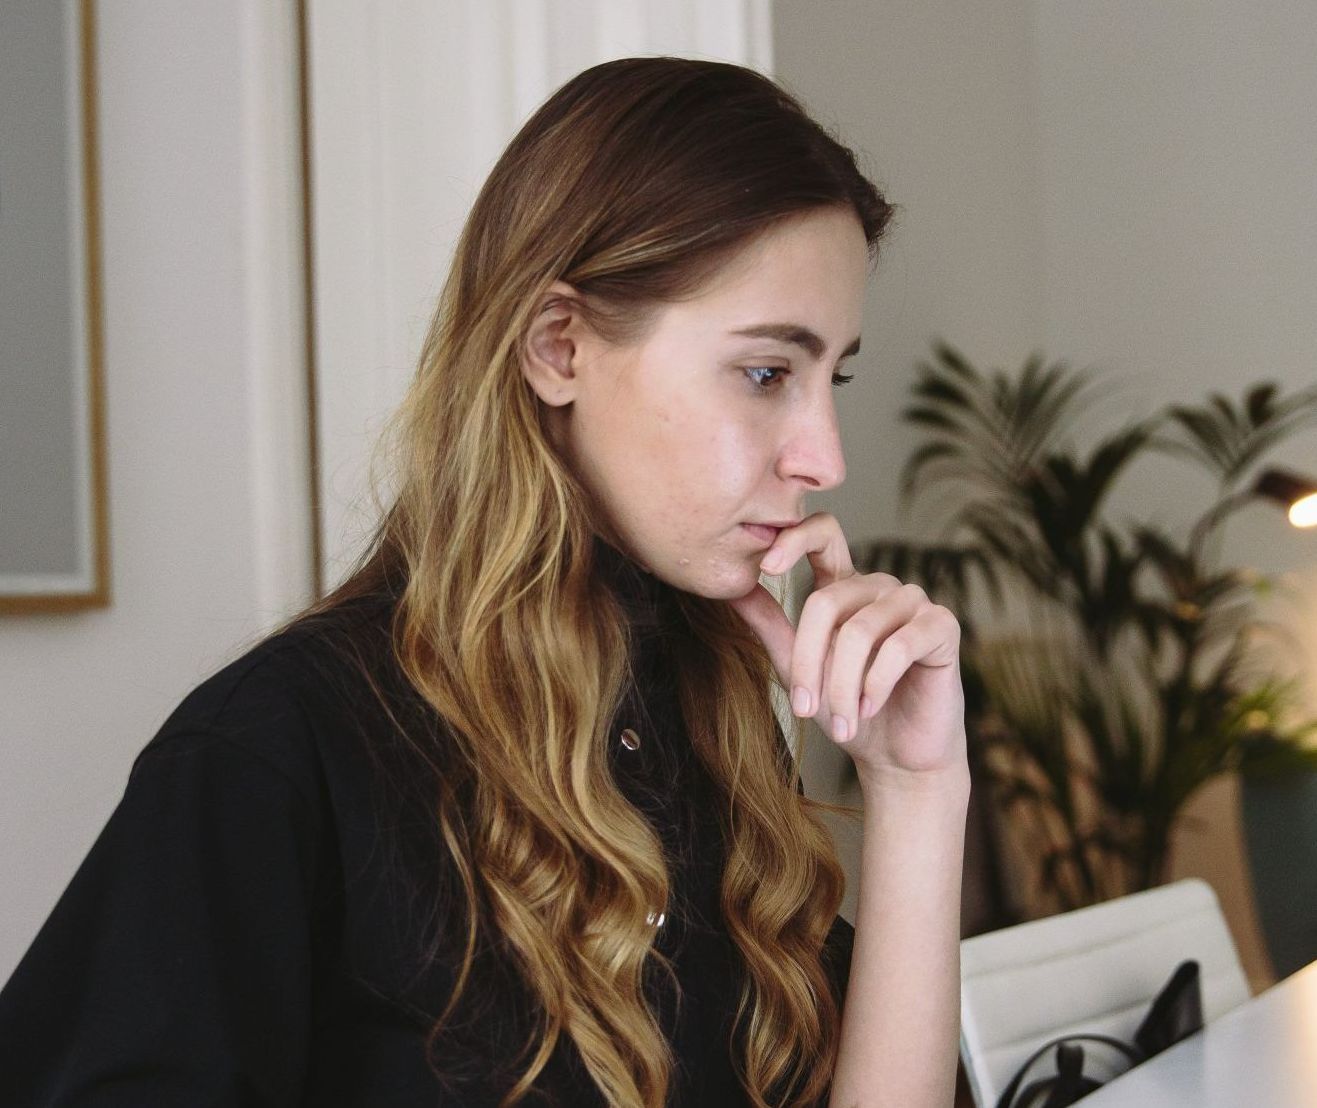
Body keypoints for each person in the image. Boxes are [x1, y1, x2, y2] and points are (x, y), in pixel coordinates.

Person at [0, 56, 968, 1107]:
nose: (823, 456)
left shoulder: (702, 716)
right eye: (768, 373)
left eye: (836, 377)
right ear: (558, 346)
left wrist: (919, 791)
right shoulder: (277, 750)